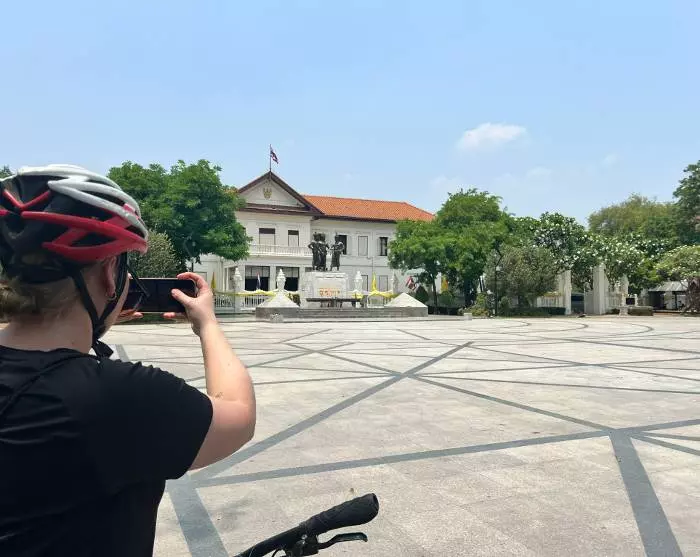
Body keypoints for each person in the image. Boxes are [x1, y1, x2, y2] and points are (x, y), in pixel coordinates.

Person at [0, 165, 256, 556]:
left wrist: (88, 321)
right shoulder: (116, 397)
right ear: (110, 273)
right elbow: (239, 415)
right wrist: (207, 324)